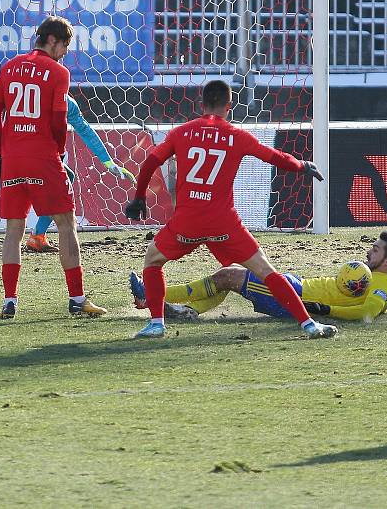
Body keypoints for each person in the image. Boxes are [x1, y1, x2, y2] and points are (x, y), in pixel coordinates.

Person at [124, 79, 338, 339]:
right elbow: (274, 157)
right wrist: (301, 165)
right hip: (223, 223)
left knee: (153, 261)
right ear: (230, 105)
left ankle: (157, 323)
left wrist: (139, 198)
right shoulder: (237, 136)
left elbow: (149, 163)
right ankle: (308, 325)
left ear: (201, 104)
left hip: (187, 222)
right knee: (266, 271)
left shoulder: (181, 132)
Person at [0, 15, 107, 319]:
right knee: (67, 224)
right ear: (52, 40)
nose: (65, 52)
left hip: (13, 158)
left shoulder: (8, 67)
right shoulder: (58, 72)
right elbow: (58, 119)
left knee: (14, 229)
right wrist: (57, 150)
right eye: (64, 45)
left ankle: (9, 301)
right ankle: (78, 299)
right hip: (43, 157)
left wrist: (2, 152)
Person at [0, 92, 135, 251]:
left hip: (39, 157)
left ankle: (37, 237)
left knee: (66, 177)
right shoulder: (16, 89)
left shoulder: (65, 102)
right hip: (6, 151)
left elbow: (84, 129)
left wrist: (108, 162)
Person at [128, 231, 387, 322]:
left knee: (227, 275)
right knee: (229, 280)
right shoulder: (373, 277)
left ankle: (151, 296)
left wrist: (325, 309)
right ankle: (186, 310)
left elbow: (368, 312)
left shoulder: (383, 284)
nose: (369, 253)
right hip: (296, 286)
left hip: (293, 298)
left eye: (376, 250)